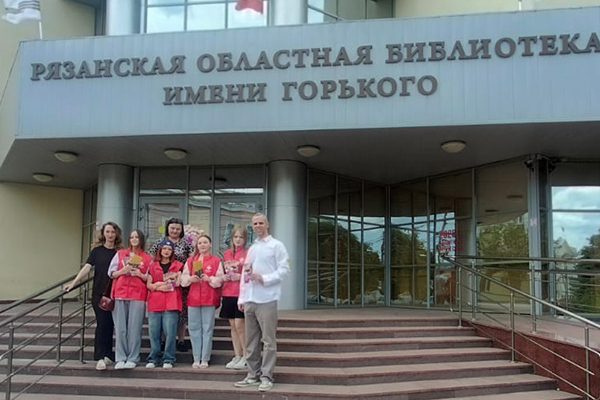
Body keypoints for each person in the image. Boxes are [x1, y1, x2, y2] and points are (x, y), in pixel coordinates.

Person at [234, 213, 290, 392]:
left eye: (260, 223)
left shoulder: (276, 245)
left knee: (268, 341)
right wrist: (242, 297)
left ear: (267, 224)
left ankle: (266, 376)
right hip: (250, 299)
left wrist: (264, 278)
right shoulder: (253, 248)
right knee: (251, 341)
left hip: (267, 299)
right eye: (255, 223)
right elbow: (245, 273)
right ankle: (252, 375)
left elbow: (285, 269)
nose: (257, 226)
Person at [64, 222, 123, 371]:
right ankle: (100, 356)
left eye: (113, 232)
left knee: (110, 324)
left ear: (116, 234)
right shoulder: (97, 251)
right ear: (103, 233)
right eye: (107, 232)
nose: (110, 235)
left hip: (115, 293)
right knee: (102, 324)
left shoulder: (120, 252)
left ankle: (108, 354)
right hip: (99, 293)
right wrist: (74, 283)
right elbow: (87, 268)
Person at [108, 229, 152, 370]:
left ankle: (133, 357)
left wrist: (139, 274)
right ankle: (121, 357)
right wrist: (123, 271)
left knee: (134, 328)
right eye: (131, 237)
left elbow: (149, 278)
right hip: (120, 293)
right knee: (120, 328)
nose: (134, 239)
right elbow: (111, 273)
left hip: (138, 294)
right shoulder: (120, 254)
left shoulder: (147, 258)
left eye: (136, 237)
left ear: (141, 240)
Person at [148, 218, 194, 353]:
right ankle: (164, 340)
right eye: (172, 228)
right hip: (161, 283)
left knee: (182, 313)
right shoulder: (160, 242)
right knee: (164, 312)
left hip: (181, 281)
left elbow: (192, 260)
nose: (175, 231)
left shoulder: (186, 243)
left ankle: (181, 340)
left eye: (178, 229)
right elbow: (152, 259)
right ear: (167, 228)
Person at [180, 234, 222, 369]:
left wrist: (210, 279)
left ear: (210, 244)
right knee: (193, 328)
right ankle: (196, 357)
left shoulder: (216, 261)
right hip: (193, 298)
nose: (202, 245)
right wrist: (190, 279)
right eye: (200, 243)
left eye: (205, 242)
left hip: (209, 298)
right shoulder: (190, 261)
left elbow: (220, 279)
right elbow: (183, 279)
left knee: (207, 328)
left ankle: (205, 358)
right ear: (197, 246)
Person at [145, 239, 183, 369]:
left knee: (170, 333)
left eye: (169, 249)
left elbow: (178, 283)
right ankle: (154, 358)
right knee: (154, 333)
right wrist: (160, 285)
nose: (166, 251)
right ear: (160, 250)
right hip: (155, 302)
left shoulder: (178, 266)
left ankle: (169, 358)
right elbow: (149, 285)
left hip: (171, 302)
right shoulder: (152, 266)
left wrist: (158, 285)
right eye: (164, 249)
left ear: (172, 252)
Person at [220, 225, 248, 370]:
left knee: (240, 325)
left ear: (245, 239)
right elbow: (222, 272)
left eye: (241, 237)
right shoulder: (226, 254)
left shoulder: (248, 253)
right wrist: (224, 277)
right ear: (231, 238)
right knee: (232, 326)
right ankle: (237, 355)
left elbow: (251, 274)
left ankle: (246, 356)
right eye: (235, 237)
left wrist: (241, 276)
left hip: (241, 293)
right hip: (228, 292)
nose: (238, 240)